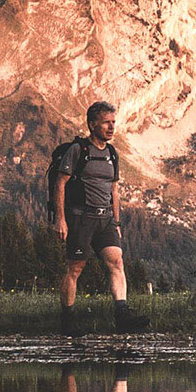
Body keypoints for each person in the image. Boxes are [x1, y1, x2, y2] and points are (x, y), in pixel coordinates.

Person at [53, 101, 149, 334]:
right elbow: (60, 184)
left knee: (116, 261)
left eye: (113, 122)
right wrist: (61, 219)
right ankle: (67, 321)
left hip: (105, 220)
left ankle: (122, 315)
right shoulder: (78, 151)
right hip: (80, 219)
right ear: (92, 124)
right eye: (106, 122)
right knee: (75, 268)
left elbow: (114, 191)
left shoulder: (112, 154)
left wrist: (116, 223)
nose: (111, 127)